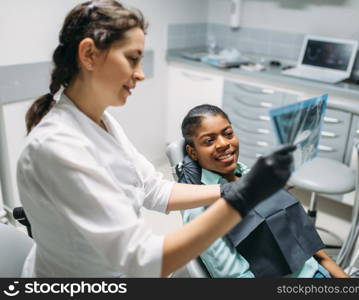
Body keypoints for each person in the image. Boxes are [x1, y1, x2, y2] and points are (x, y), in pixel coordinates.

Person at [16, 0, 296, 277]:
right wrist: (244, 199)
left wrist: (232, 189)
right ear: (89, 54)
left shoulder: (101, 121)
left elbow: (153, 190)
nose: (140, 74)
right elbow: (142, 261)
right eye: (132, 58)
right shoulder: (57, 148)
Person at [180, 104, 349, 278]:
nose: (223, 144)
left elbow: (311, 247)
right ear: (193, 152)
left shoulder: (249, 173)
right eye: (209, 140)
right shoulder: (199, 211)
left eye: (228, 134)